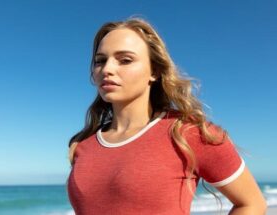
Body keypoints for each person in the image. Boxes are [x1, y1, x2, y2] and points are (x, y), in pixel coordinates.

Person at [66, 17, 266, 215]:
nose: (107, 69)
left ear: (155, 71)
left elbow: (252, 204)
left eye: (125, 60)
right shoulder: (84, 145)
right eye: (100, 61)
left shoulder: (188, 132)